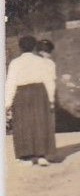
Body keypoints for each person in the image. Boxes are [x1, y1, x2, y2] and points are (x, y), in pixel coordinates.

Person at [6, 35, 59, 166]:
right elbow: (49, 81)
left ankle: (27, 157)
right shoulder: (41, 62)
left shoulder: (15, 63)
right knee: (40, 122)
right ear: (35, 47)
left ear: (20, 47)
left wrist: (7, 103)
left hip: (21, 94)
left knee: (23, 123)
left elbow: (10, 83)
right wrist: (51, 99)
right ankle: (41, 155)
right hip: (40, 93)